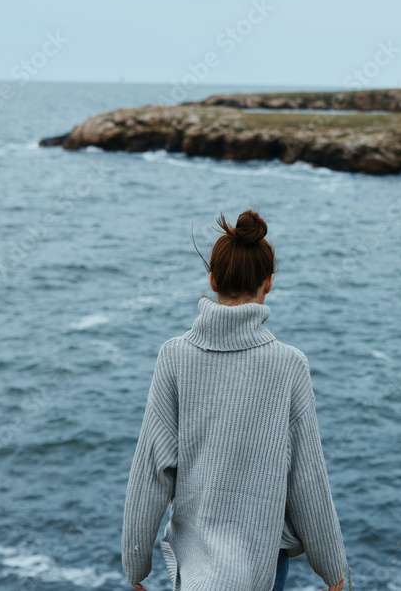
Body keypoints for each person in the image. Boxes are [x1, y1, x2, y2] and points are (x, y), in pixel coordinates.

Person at [121, 209, 347, 591]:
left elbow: (151, 472)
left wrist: (135, 564)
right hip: (262, 567)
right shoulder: (289, 365)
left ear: (212, 279)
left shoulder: (174, 356)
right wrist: (333, 568)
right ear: (269, 283)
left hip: (192, 570)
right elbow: (306, 478)